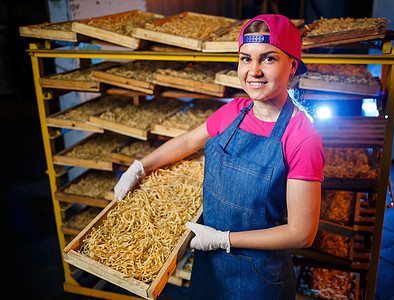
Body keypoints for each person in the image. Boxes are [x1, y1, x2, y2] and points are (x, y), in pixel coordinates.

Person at [114, 14, 325, 300]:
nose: (254, 71)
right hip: (210, 264)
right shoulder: (233, 112)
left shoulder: (301, 137)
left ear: (293, 65)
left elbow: (301, 233)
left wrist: (223, 240)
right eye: (245, 58)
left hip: (258, 275)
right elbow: (188, 141)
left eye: (269, 59)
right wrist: (140, 167)